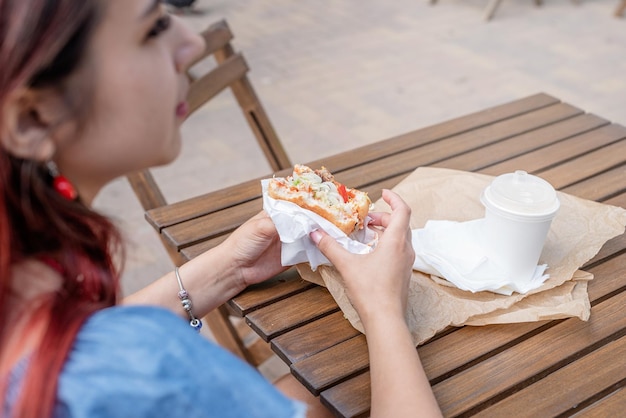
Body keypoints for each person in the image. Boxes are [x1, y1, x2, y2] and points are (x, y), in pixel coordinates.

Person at [0, 0, 442, 417]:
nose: (191, 42)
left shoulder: (25, 282)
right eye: (153, 26)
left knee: (315, 391)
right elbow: (118, 356)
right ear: (32, 118)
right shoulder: (153, 371)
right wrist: (384, 310)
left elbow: (81, 338)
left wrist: (232, 268)